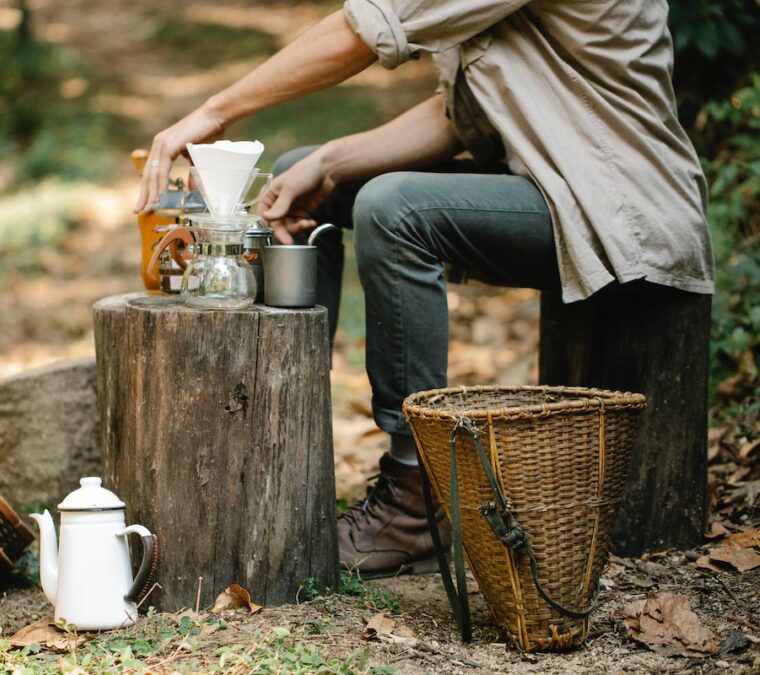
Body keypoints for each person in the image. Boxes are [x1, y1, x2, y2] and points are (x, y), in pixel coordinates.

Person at [135, 1, 714, 579]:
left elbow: (366, 30)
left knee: (395, 209)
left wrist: (215, 111)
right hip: (550, 187)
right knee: (304, 167)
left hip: (620, 213)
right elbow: (458, 118)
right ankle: (275, 465)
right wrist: (331, 163)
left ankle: (417, 498)